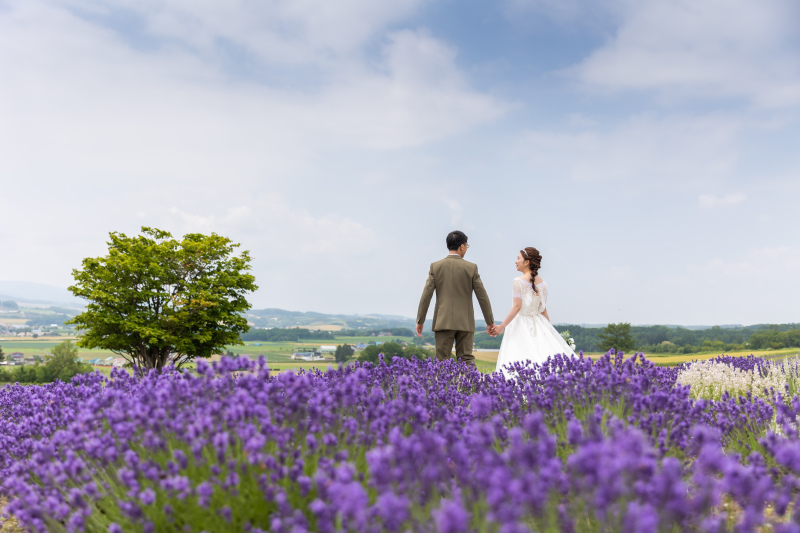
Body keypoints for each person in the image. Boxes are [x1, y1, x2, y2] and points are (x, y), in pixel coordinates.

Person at [416, 231, 496, 365]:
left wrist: (420, 320)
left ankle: (442, 386)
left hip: (443, 321)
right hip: (466, 321)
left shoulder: (435, 267)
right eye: (467, 246)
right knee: (466, 360)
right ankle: (472, 386)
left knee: (441, 362)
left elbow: (426, 295)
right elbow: (482, 296)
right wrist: (490, 321)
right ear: (462, 246)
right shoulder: (471, 268)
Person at [494, 247, 574, 379]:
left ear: (527, 262)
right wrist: (548, 330)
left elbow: (517, 307)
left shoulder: (518, 281)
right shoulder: (543, 283)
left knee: (520, 357)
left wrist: (501, 326)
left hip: (520, 324)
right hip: (538, 322)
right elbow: (543, 309)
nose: (516, 261)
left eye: (518, 258)